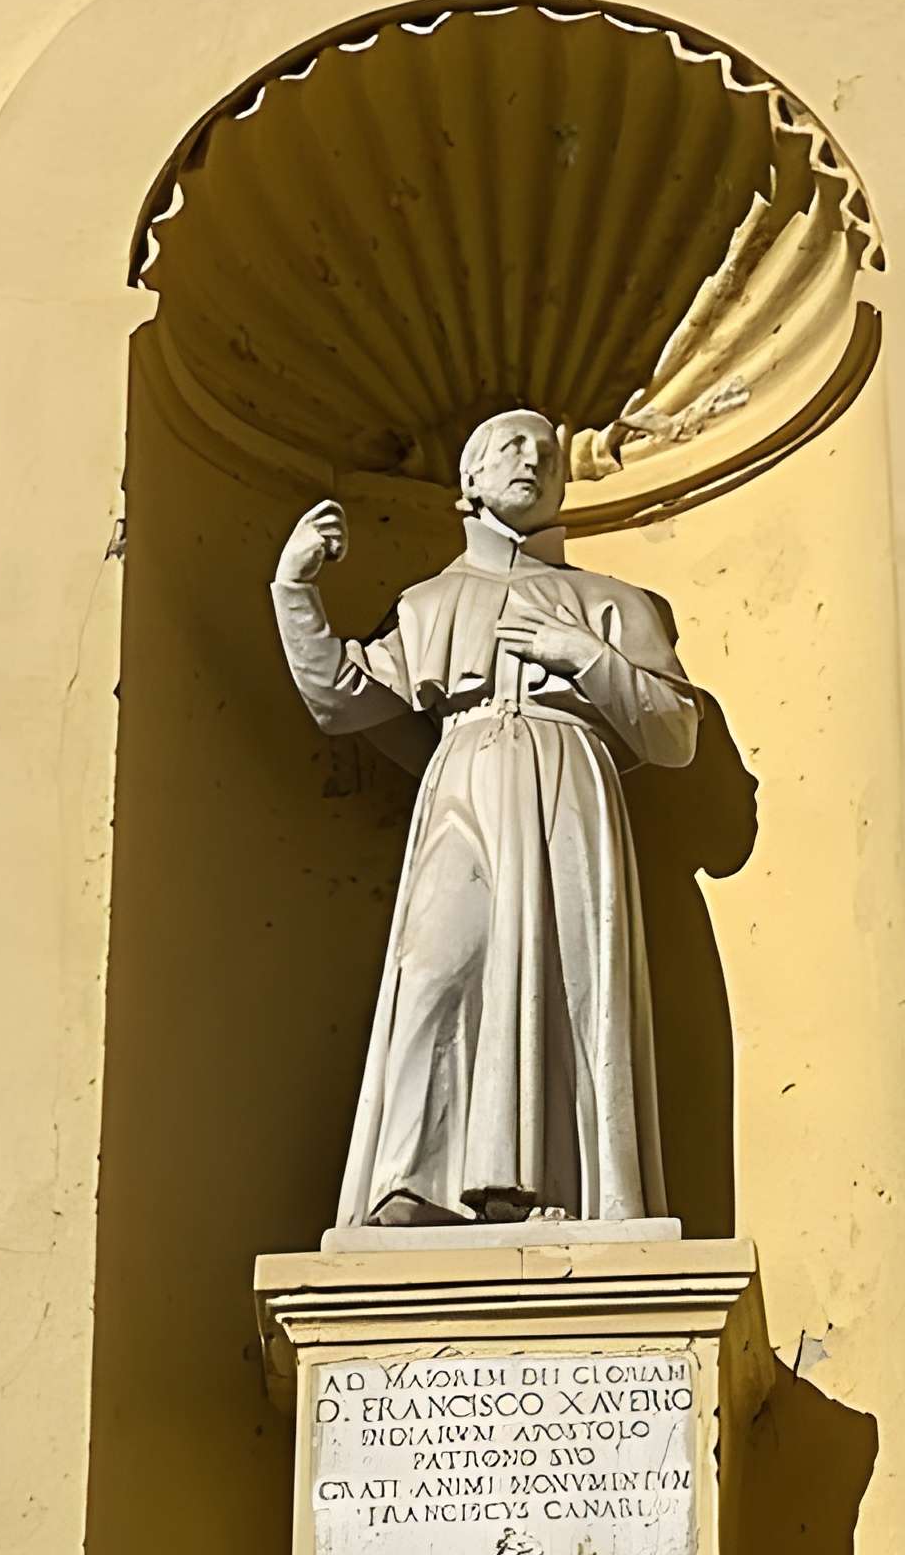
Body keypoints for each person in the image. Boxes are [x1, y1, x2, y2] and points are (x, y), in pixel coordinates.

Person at [271, 409, 698, 1227]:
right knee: (438, 961)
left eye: (544, 452)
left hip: (570, 785)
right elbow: (341, 697)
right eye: (508, 447)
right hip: (462, 781)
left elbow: (675, 735)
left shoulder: (613, 602)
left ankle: (550, 1191)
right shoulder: (430, 602)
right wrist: (294, 589)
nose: (530, 460)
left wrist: (588, 658)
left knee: (565, 975)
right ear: (468, 480)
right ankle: (414, 1183)